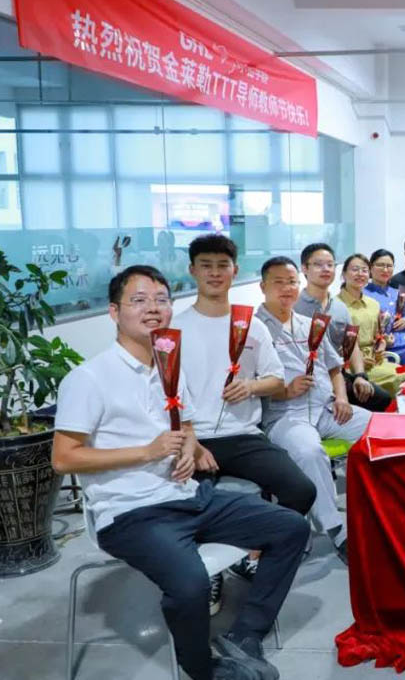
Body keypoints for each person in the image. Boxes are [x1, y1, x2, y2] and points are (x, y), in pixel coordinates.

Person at [53, 265, 308, 680]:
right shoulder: (88, 378)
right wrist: (146, 452)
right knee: (190, 584)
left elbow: (185, 427)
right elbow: (64, 459)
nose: (153, 308)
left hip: (187, 496)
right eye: (139, 300)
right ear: (114, 312)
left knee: (291, 527)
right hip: (129, 513)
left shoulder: (169, 366)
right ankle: (202, 669)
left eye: (161, 300)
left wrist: (189, 449)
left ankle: (245, 636)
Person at [172, 234, 315, 595]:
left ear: (234, 271)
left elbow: (276, 379)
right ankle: (209, 569)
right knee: (191, 505)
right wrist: (190, 442)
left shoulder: (249, 324)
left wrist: (250, 386)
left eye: (222, 265)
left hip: (243, 436)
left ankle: (253, 554)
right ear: (192, 270)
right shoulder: (174, 328)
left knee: (301, 490)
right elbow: (165, 393)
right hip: (194, 437)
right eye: (206, 265)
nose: (215, 273)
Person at [257, 257, 373, 565]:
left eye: (292, 282)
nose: (287, 288)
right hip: (285, 416)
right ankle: (336, 530)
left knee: (380, 430)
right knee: (310, 452)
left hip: (326, 409)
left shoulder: (310, 323)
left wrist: (342, 397)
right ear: (263, 287)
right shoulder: (254, 331)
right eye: (279, 282)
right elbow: (245, 385)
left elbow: (334, 367)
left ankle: (382, 509)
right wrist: (284, 390)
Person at [295, 243, 391, 412]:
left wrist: (360, 376)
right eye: (318, 264)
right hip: (305, 377)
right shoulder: (294, 305)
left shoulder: (339, 307)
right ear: (304, 268)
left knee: (382, 399)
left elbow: (352, 344)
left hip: (337, 374)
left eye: (330, 264)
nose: (325, 269)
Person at [338, 253, 405, 395]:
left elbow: (379, 336)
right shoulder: (336, 305)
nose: (360, 274)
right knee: (401, 379)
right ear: (344, 274)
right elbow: (334, 347)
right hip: (350, 367)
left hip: (376, 361)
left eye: (364, 270)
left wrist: (382, 344)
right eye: (355, 269)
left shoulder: (373, 304)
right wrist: (358, 361)